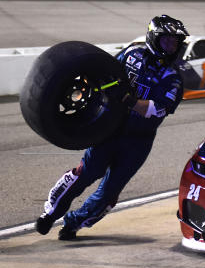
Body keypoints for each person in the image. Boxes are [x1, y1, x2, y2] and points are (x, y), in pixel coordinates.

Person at [35, 15, 188, 240]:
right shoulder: (131, 53)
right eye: (167, 41)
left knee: (109, 193)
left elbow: (156, 109)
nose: (171, 46)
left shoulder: (173, 78)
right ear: (154, 38)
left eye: (175, 42)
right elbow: (103, 72)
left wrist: (128, 101)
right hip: (108, 129)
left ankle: (73, 224)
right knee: (85, 173)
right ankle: (49, 214)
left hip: (139, 141)